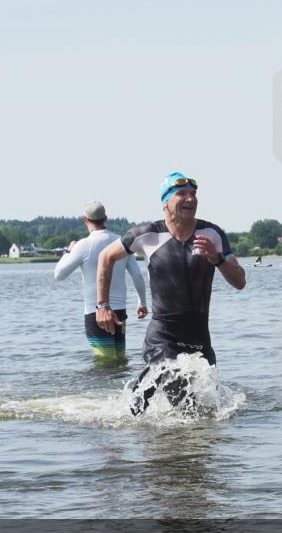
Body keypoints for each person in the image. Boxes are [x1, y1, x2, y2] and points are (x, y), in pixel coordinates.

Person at [96, 173, 246, 414]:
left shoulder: (212, 234)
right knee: (183, 402)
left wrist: (217, 259)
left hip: (200, 338)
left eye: (193, 194)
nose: (190, 199)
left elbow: (239, 281)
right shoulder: (147, 234)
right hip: (163, 337)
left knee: (201, 410)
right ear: (165, 202)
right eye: (182, 194)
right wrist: (102, 305)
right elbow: (106, 257)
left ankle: (137, 418)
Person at [55, 200, 147, 360]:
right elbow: (137, 276)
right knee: (120, 361)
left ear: (85, 219)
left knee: (104, 363)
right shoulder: (121, 242)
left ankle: (103, 387)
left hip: (96, 312)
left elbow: (59, 275)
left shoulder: (83, 245)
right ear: (105, 218)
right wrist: (142, 303)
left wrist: (68, 251)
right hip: (120, 311)